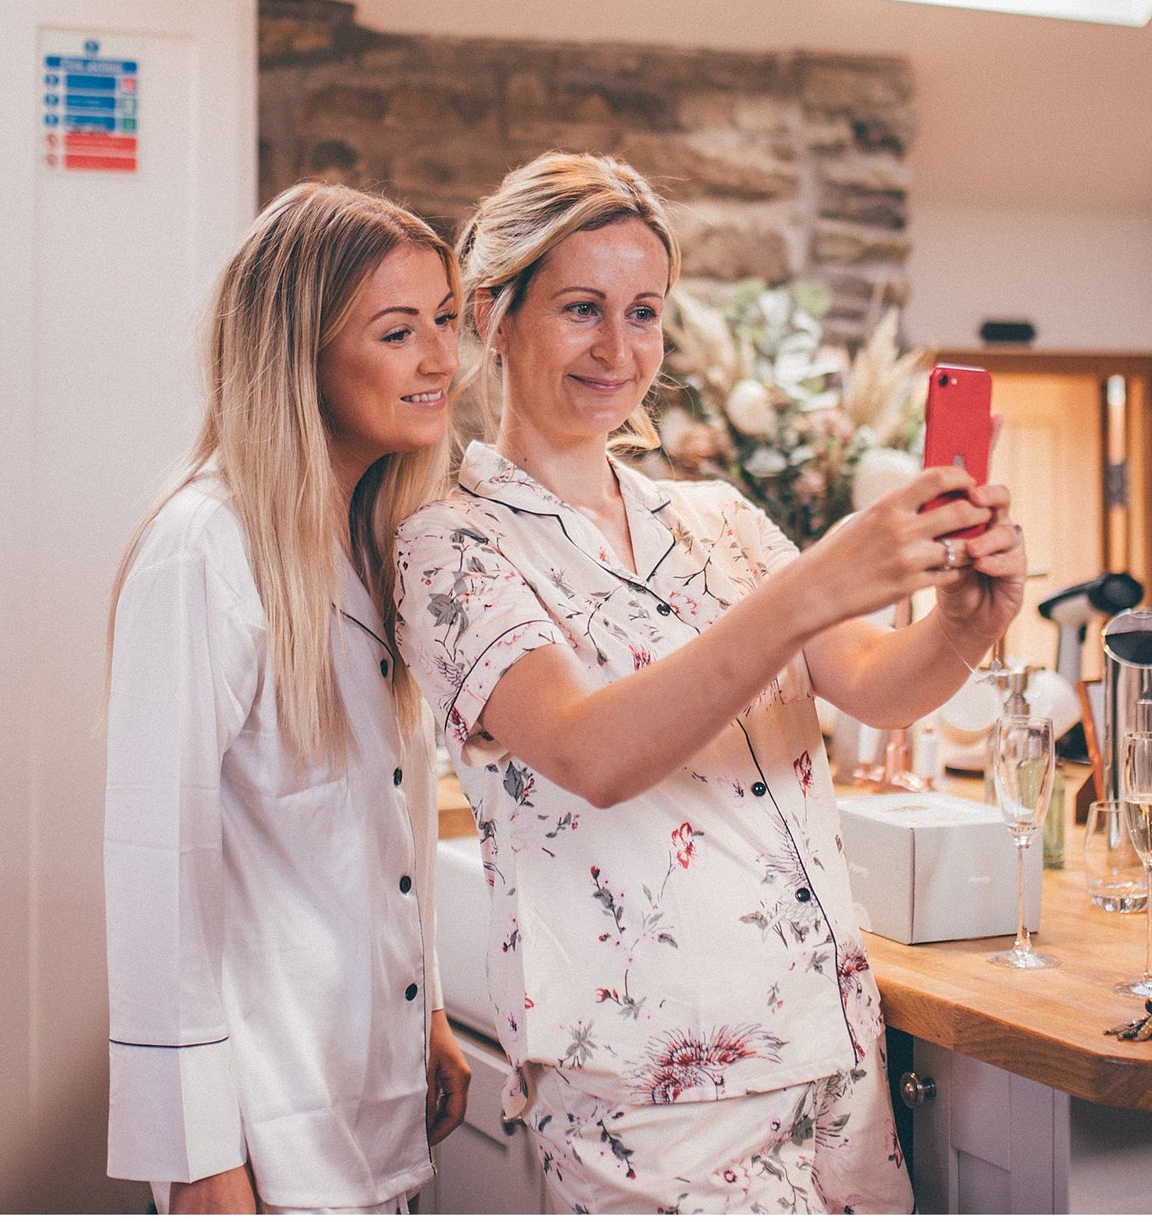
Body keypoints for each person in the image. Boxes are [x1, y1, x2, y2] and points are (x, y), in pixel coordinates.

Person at [393, 153, 1024, 1213]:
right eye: (581, 308)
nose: (617, 348)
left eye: (643, 312)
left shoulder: (716, 517)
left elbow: (871, 680)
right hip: (650, 1102)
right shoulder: (449, 545)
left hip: (832, 1057)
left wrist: (967, 624)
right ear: (493, 317)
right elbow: (591, 751)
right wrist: (813, 583)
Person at [106, 183, 473, 1214]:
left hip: (372, 1109)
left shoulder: (374, 544)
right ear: (297, 353)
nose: (441, 358)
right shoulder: (204, 548)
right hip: (262, 1139)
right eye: (398, 331)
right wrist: (195, 1161)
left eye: (444, 320)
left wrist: (427, 1013)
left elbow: (374, 831)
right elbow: (155, 874)